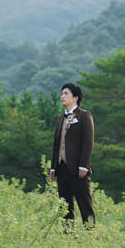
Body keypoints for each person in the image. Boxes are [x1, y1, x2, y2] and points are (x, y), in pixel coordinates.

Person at [49, 82, 95, 225]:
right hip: (62, 168)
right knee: (64, 206)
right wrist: (53, 167)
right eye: (62, 94)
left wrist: (84, 166)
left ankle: (90, 234)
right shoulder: (60, 119)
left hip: (77, 169)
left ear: (75, 98)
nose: (62, 96)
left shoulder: (84, 116)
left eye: (66, 94)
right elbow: (56, 145)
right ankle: (68, 235)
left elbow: (88, 143)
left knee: (85, 204)